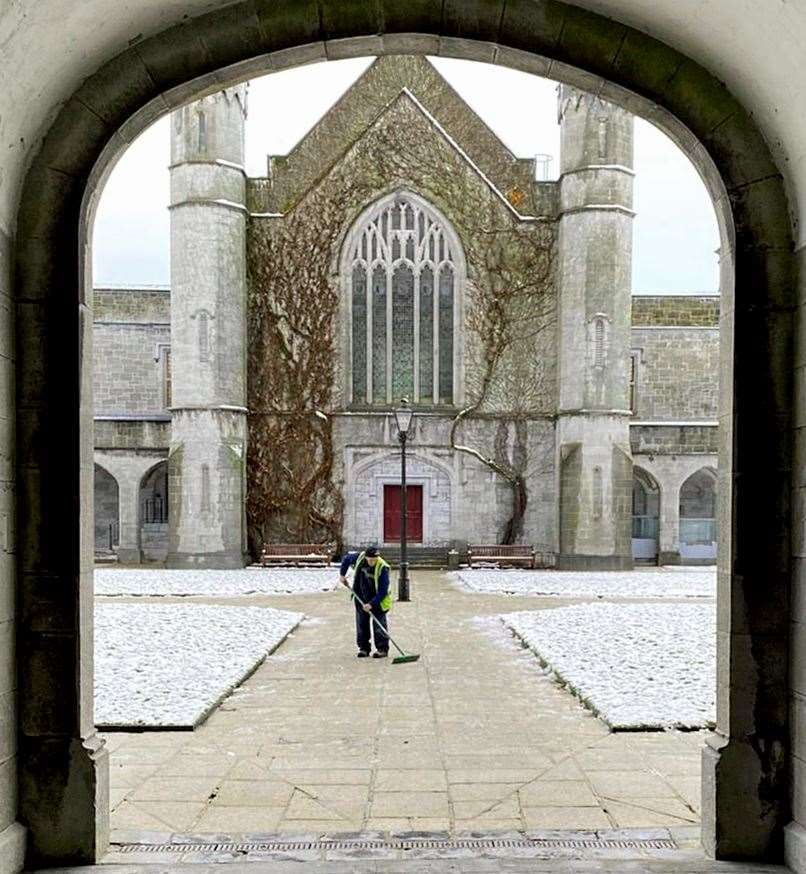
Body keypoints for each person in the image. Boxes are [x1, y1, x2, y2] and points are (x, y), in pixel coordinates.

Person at [340, 545, 391, 658]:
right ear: (366, 558)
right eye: (370, 559)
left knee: (379, 624)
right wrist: (342, 575)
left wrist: (372, 604)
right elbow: (346, 559)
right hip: (361, 596)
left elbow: (383, 591)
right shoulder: (359, 558)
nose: (372, 562)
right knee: (362, 624)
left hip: (378, 600)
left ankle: (382, 649)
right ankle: (364, 648)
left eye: (375, 559)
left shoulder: (383, 567)